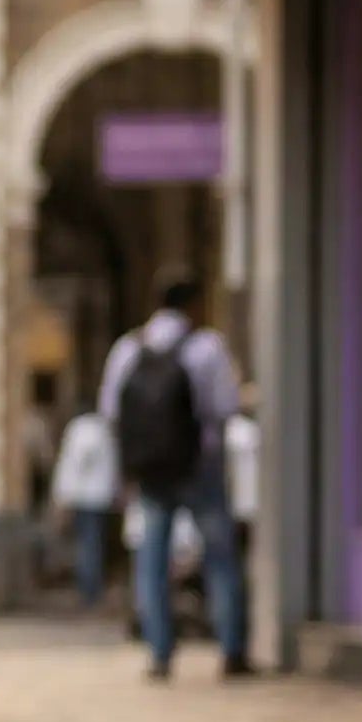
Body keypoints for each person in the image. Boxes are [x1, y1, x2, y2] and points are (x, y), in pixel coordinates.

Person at [101, 273, 249, 680]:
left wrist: (128, 467)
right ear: (194, 304)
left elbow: (111, 412)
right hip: (199, 466)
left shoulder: (129, 349)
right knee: (220, 556)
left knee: (152, 559)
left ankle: (160, 651)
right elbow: (225, 407)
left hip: (152, 469)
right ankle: (232, 647)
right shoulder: (206, 347)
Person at [49, 407, 118, 609]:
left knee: (88, 545)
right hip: (98, 495)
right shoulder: (102, 428)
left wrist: (63, 496)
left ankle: (89, 589)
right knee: (92, 544)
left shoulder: (82, 429)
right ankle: (91, 588)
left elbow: (76, 463)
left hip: (85, 496)